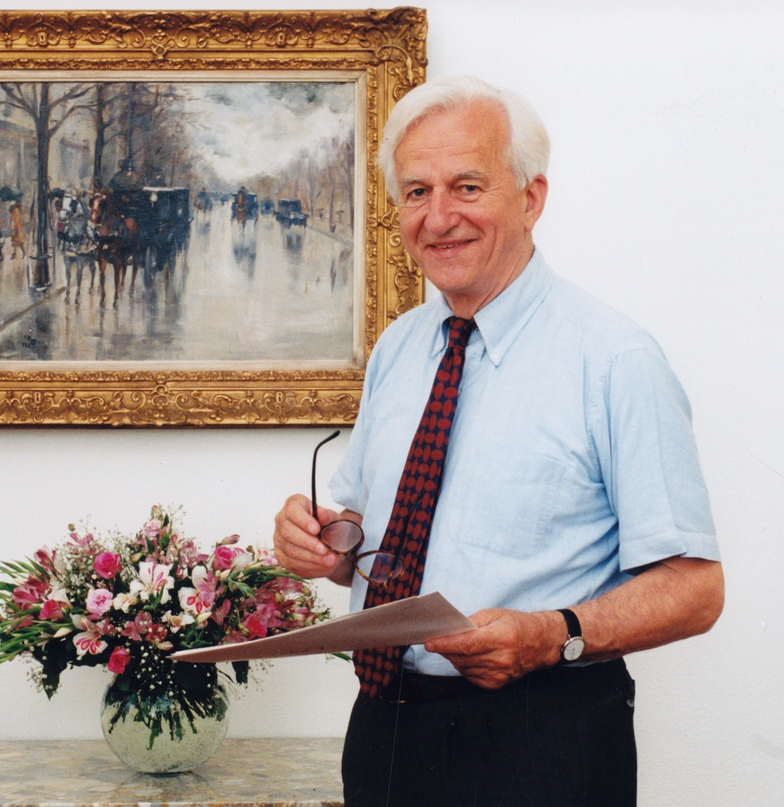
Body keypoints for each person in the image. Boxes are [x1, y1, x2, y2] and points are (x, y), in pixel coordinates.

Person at [272, 75, 724, 807]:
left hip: (543, 739)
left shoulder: (616, 361)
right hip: (384, 732)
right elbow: (369, 541)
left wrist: (554, 633)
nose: (439, 216)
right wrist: (323, 544)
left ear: (531, 198)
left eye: (467, 186)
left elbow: (697, 590)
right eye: (416, 192)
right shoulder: (397, 349)